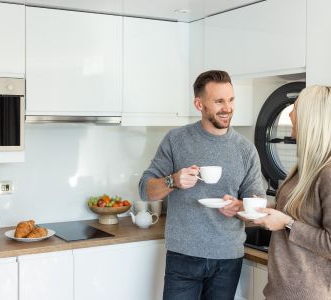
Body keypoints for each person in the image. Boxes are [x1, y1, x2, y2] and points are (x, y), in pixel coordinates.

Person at [139, 70, 265, 300]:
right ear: (199, 104)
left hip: (227, 258)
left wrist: (239, 207)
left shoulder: (246, 150)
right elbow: (145, 189)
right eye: (219, 101)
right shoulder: (176, 140)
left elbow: (256, 208)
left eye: (231, 100)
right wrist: (173, 181)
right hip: (183, 255)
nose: (227, 108)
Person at [253, 85, 331, 300]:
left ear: (311, 117)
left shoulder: (328, 173)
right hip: (280, 290)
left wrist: (287, 222)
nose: (289, 113)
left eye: (295, 108)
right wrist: (262, 209)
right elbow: (299, 213)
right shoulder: (302, 168)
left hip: (307, 294)